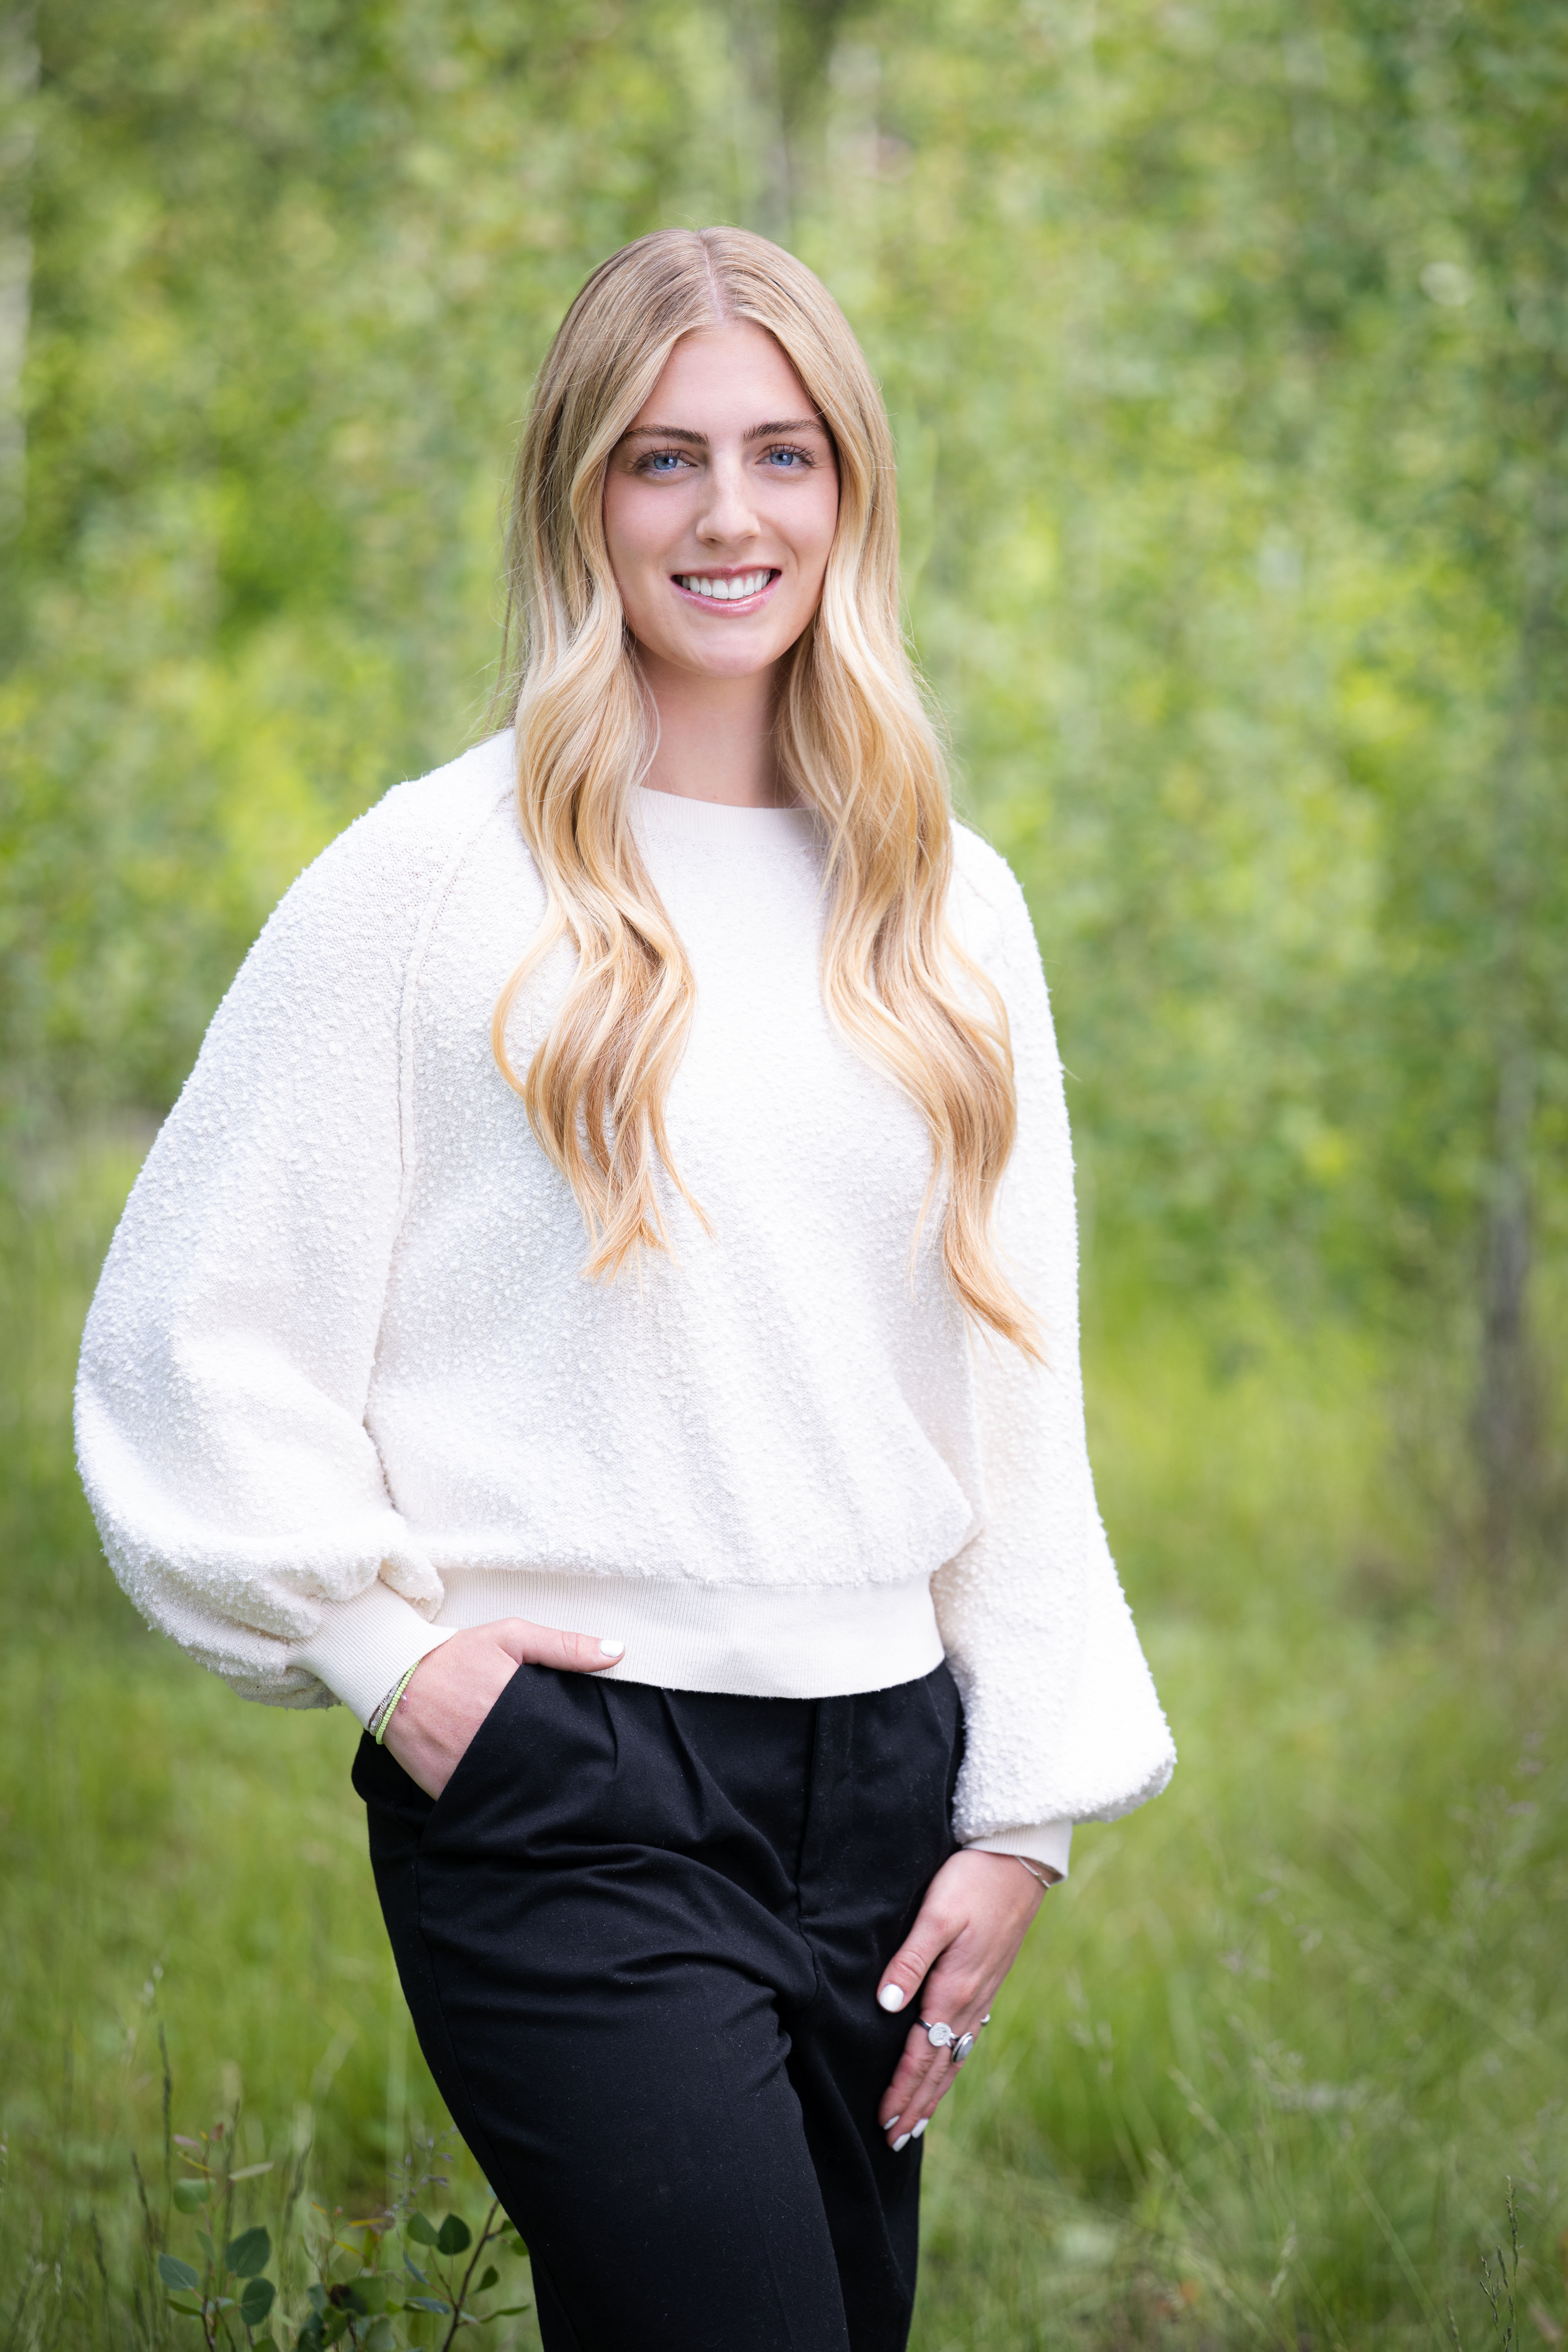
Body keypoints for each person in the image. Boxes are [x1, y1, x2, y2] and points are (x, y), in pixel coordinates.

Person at [76, 225, 1174, 2352]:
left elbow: (1012, 1382)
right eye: (663, 460)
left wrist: (1017, 1808)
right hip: (563, 1782)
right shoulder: (426, 876)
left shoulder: (949, 906)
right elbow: (189, 1330)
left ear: (850, 491)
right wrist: (393, 1655)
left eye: (784, 453)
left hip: (881, 1776)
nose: (730, 514)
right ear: (581, 492)